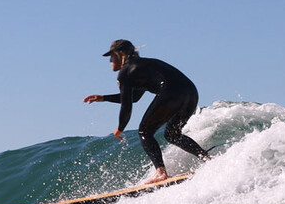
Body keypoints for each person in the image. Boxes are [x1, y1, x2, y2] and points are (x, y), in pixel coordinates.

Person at [84, 39, 210, 183]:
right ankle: (207, 160)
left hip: (171, 91)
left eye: (111, 56)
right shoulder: (142, 67)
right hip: (191, 92)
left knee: (145, 131)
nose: (110, 61)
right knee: (172, 135)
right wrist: (103, 98)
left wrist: (120, 128)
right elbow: (135, 97)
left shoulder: (126, 72)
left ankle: (161, 173)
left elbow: (127, 106)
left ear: (119, 54)